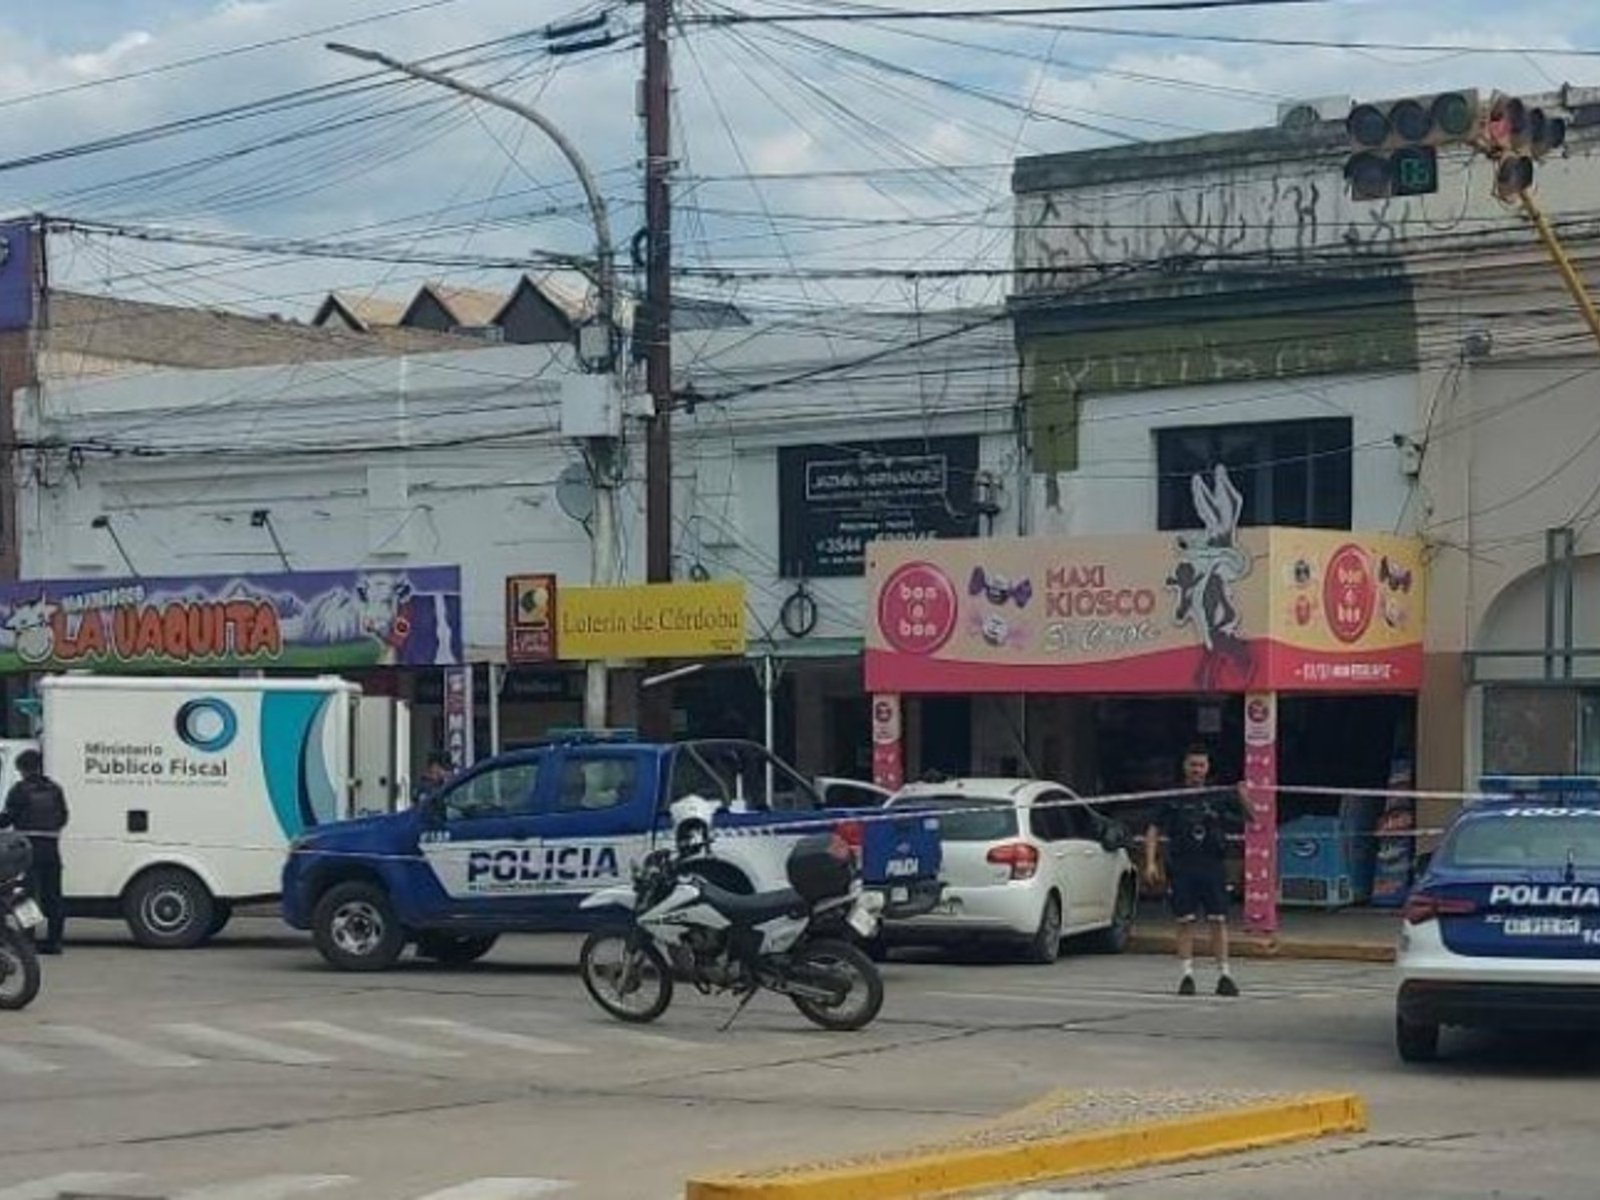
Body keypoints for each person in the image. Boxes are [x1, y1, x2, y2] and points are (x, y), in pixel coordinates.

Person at [1142, 743, 1254, 997]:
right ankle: (1186, 975)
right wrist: (1150, 862)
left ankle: (1224, 975)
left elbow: (1251, 818)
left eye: (1201, 765)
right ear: (1185, 767)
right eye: (1192, 765)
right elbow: (1153, 829)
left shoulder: (1218, 794)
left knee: (1218, 920)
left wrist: (1243, 795)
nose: (1197, 770)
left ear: (1207, 768)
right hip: (1182, 866)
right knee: (1185, 921)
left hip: (1212, 865)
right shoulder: (1172, 797)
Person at [0, 749, 69, 954]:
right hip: (51, 849)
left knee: (25, 895)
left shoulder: (19, 790)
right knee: (53, 896)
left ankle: (27, 939)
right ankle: (54, 941)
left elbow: (7, 818)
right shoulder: (55, 789)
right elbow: (64, 817)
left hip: (26, 850)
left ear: (22, 769)